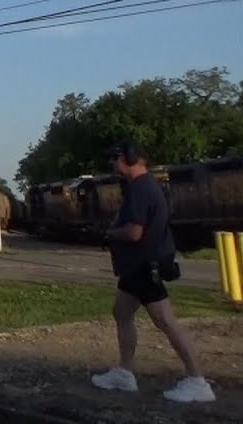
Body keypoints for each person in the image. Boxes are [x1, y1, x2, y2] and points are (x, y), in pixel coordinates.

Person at [90, 139, 215, 403]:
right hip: (138, 266)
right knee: (122, 312)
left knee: (165, 320)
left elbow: (135, 232)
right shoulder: (143, 186)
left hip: (145, 264)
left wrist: (108, 233)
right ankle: (124, 372)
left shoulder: (140, 188)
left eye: (115, 158)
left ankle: (197, 380)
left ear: (130, 158)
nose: (113, 164)